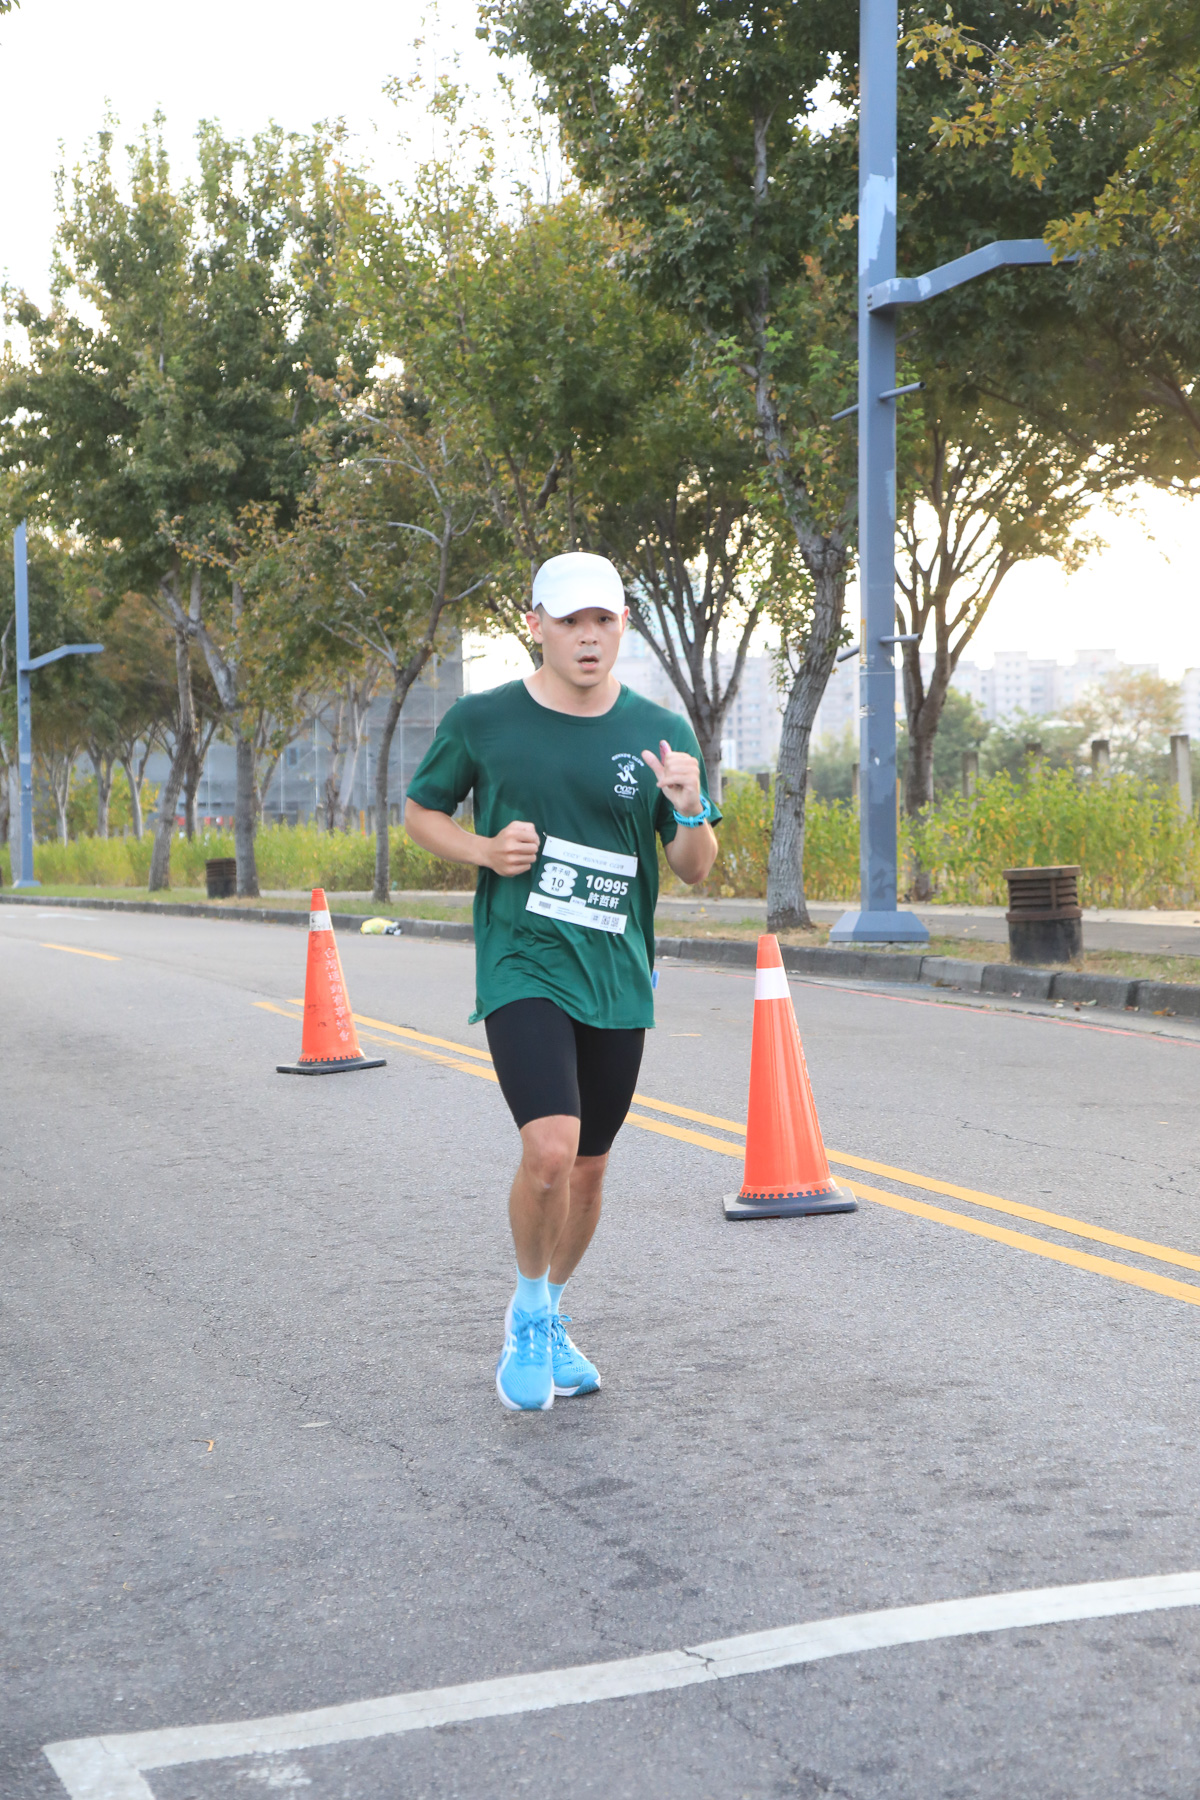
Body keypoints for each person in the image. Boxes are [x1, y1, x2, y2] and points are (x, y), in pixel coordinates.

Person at [404, 551, 721, 1411]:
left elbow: (693, 866)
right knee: (548, 1150)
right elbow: (422, 811)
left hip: (615, 974)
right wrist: (483, 849)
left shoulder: (660, 731)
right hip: (523, 961)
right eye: (570, 621)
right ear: (534, 625)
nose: (587, 637)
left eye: (602, 621)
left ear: (623, 627)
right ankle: (527, 1314)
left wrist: (688, 807)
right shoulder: (483, 719)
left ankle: (546, 1310)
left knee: (588, 1169)